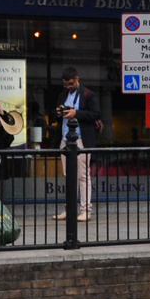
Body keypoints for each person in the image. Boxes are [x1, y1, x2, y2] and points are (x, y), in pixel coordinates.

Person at [53, 66, 101, 222]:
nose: (68, 86)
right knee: (68, 176)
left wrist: (76, 113)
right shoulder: (62, 95)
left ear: (77, 79)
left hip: (81, 138)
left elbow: (96, 114)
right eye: (66, 84)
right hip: (65, 138)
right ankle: (70, 209)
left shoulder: (88, 94)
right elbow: (57, 115)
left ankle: (86, 210)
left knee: (82, 176)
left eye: (71, 83)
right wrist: (60, 112)